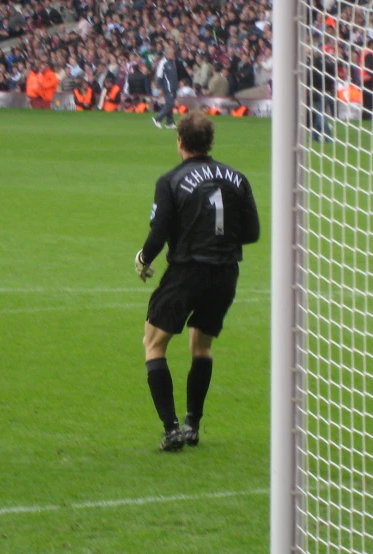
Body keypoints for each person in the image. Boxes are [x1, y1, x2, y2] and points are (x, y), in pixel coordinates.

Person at [134, 111, 260, 452]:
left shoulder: (170, 180)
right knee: (201, 346)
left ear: (180, 142)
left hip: (186, 272)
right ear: (210, 142)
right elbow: (252, 233)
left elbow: (158, 234)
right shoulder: (237, 178)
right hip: (225, 274)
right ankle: (192, 424)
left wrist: (143, 259)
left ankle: (171, 429)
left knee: (154, 344)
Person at [152, 45, 179, 129]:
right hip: (168, 87)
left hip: (174, 87)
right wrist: (159, 87)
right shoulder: (163, 63)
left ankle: (169, 122)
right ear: (167, 54)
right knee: (170, 103)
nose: (173, 54)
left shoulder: (172, 62)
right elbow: (159, 76)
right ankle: (157, 118)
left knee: (170, 104)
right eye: (172, 53)